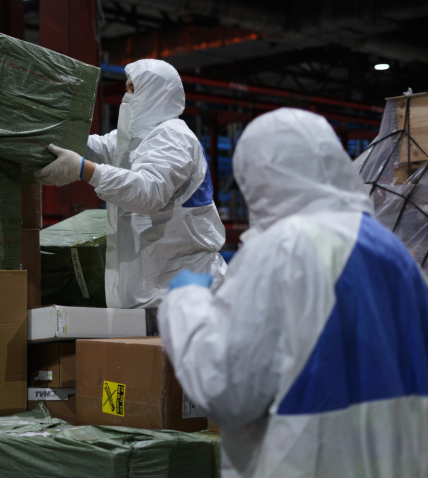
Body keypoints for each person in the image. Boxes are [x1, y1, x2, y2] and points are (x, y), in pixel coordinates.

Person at [158, 108, 428, 477]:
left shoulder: (285, 247)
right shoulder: (396, 255)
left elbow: (227, 391)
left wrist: (185, 303)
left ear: (259, 176)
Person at [35, 58, 227, 315]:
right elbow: (97, 148)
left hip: (186, 289)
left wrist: (83, 169)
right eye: (126, 88)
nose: (126, 97)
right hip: (153, 289)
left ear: (157, 92)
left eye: (132, 89)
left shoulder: (174, 137)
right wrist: (48, 137)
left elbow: (148, 192)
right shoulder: (133, 139)